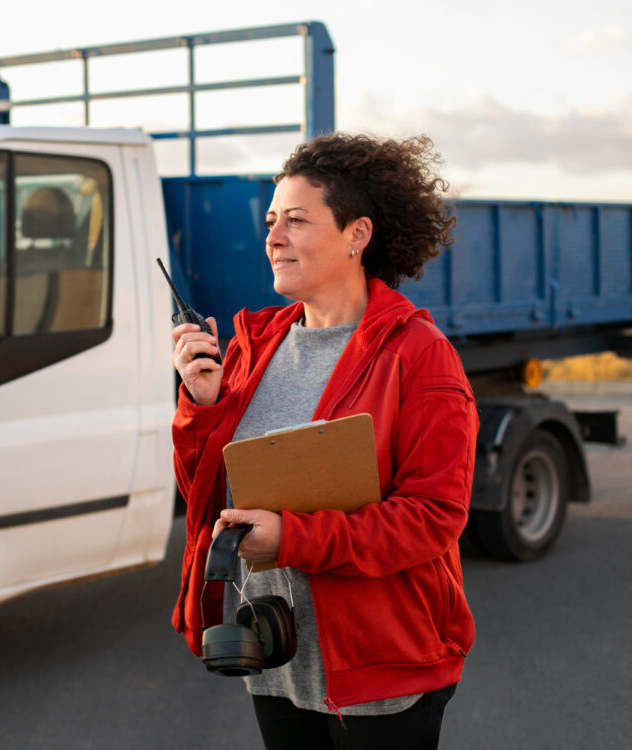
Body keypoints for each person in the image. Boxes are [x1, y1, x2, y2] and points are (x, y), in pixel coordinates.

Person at [169, 132, 479, 750]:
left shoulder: (418, 355)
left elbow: (432, 518)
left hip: (381, 664)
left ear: (356, 235)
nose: (273, 237)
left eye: (297, 221)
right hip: (277, 651)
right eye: (270, 221)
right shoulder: (253, 347)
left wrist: (293, 537)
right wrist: (202, 406)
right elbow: (205, 496)